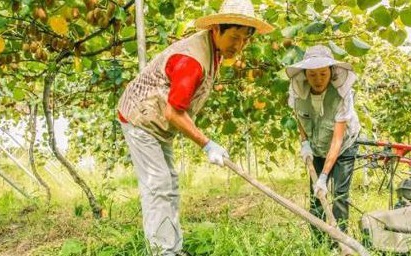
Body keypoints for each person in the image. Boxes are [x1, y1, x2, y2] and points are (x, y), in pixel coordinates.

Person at [116, 0, 274, 254]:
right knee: (158, 185)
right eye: (234, 37)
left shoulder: (215, 52)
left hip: (158, 122)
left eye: (245, 39)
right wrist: (207, 143)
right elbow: (173, 112)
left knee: (170, 183)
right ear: (216, 30)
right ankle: (163, 251)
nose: (239, 46)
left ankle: (173, 248)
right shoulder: (192, 59)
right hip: (139, 119)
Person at [286, 45, 361, 246]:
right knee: (317, 197)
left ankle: (340, 243)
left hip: (343, 146)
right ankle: (318, 245)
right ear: (305, 75)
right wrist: (304, 143)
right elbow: (300, 117)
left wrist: (325, 176)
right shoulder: (297, 91)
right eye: (312, 75)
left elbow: (337, 139)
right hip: (316, 145)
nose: (318, 79)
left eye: (322, 73)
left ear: (331, 71)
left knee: (339, 195)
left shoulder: (342, 94)